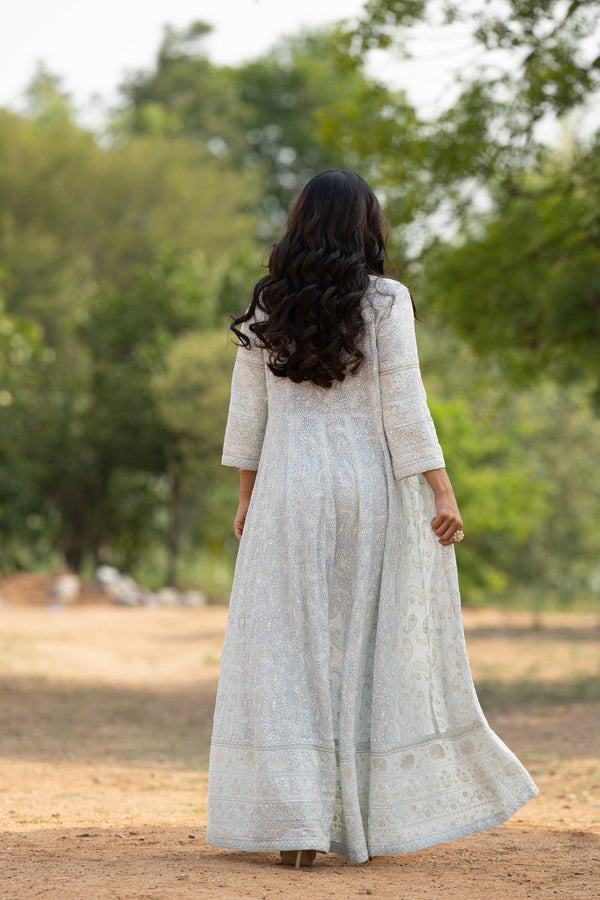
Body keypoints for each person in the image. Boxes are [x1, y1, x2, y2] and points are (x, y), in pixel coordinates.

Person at [207, 170, 537, 868]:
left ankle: (297, 824)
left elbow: (249, 417)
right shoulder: (385, 301)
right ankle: (352, 817)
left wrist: (246, 497)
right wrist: (442, 491)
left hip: (288, 492)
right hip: (367, 490)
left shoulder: (268, 305)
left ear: (299, 221)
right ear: (366, 225)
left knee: (287, 654)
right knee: (362, 652)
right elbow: (405, 407)